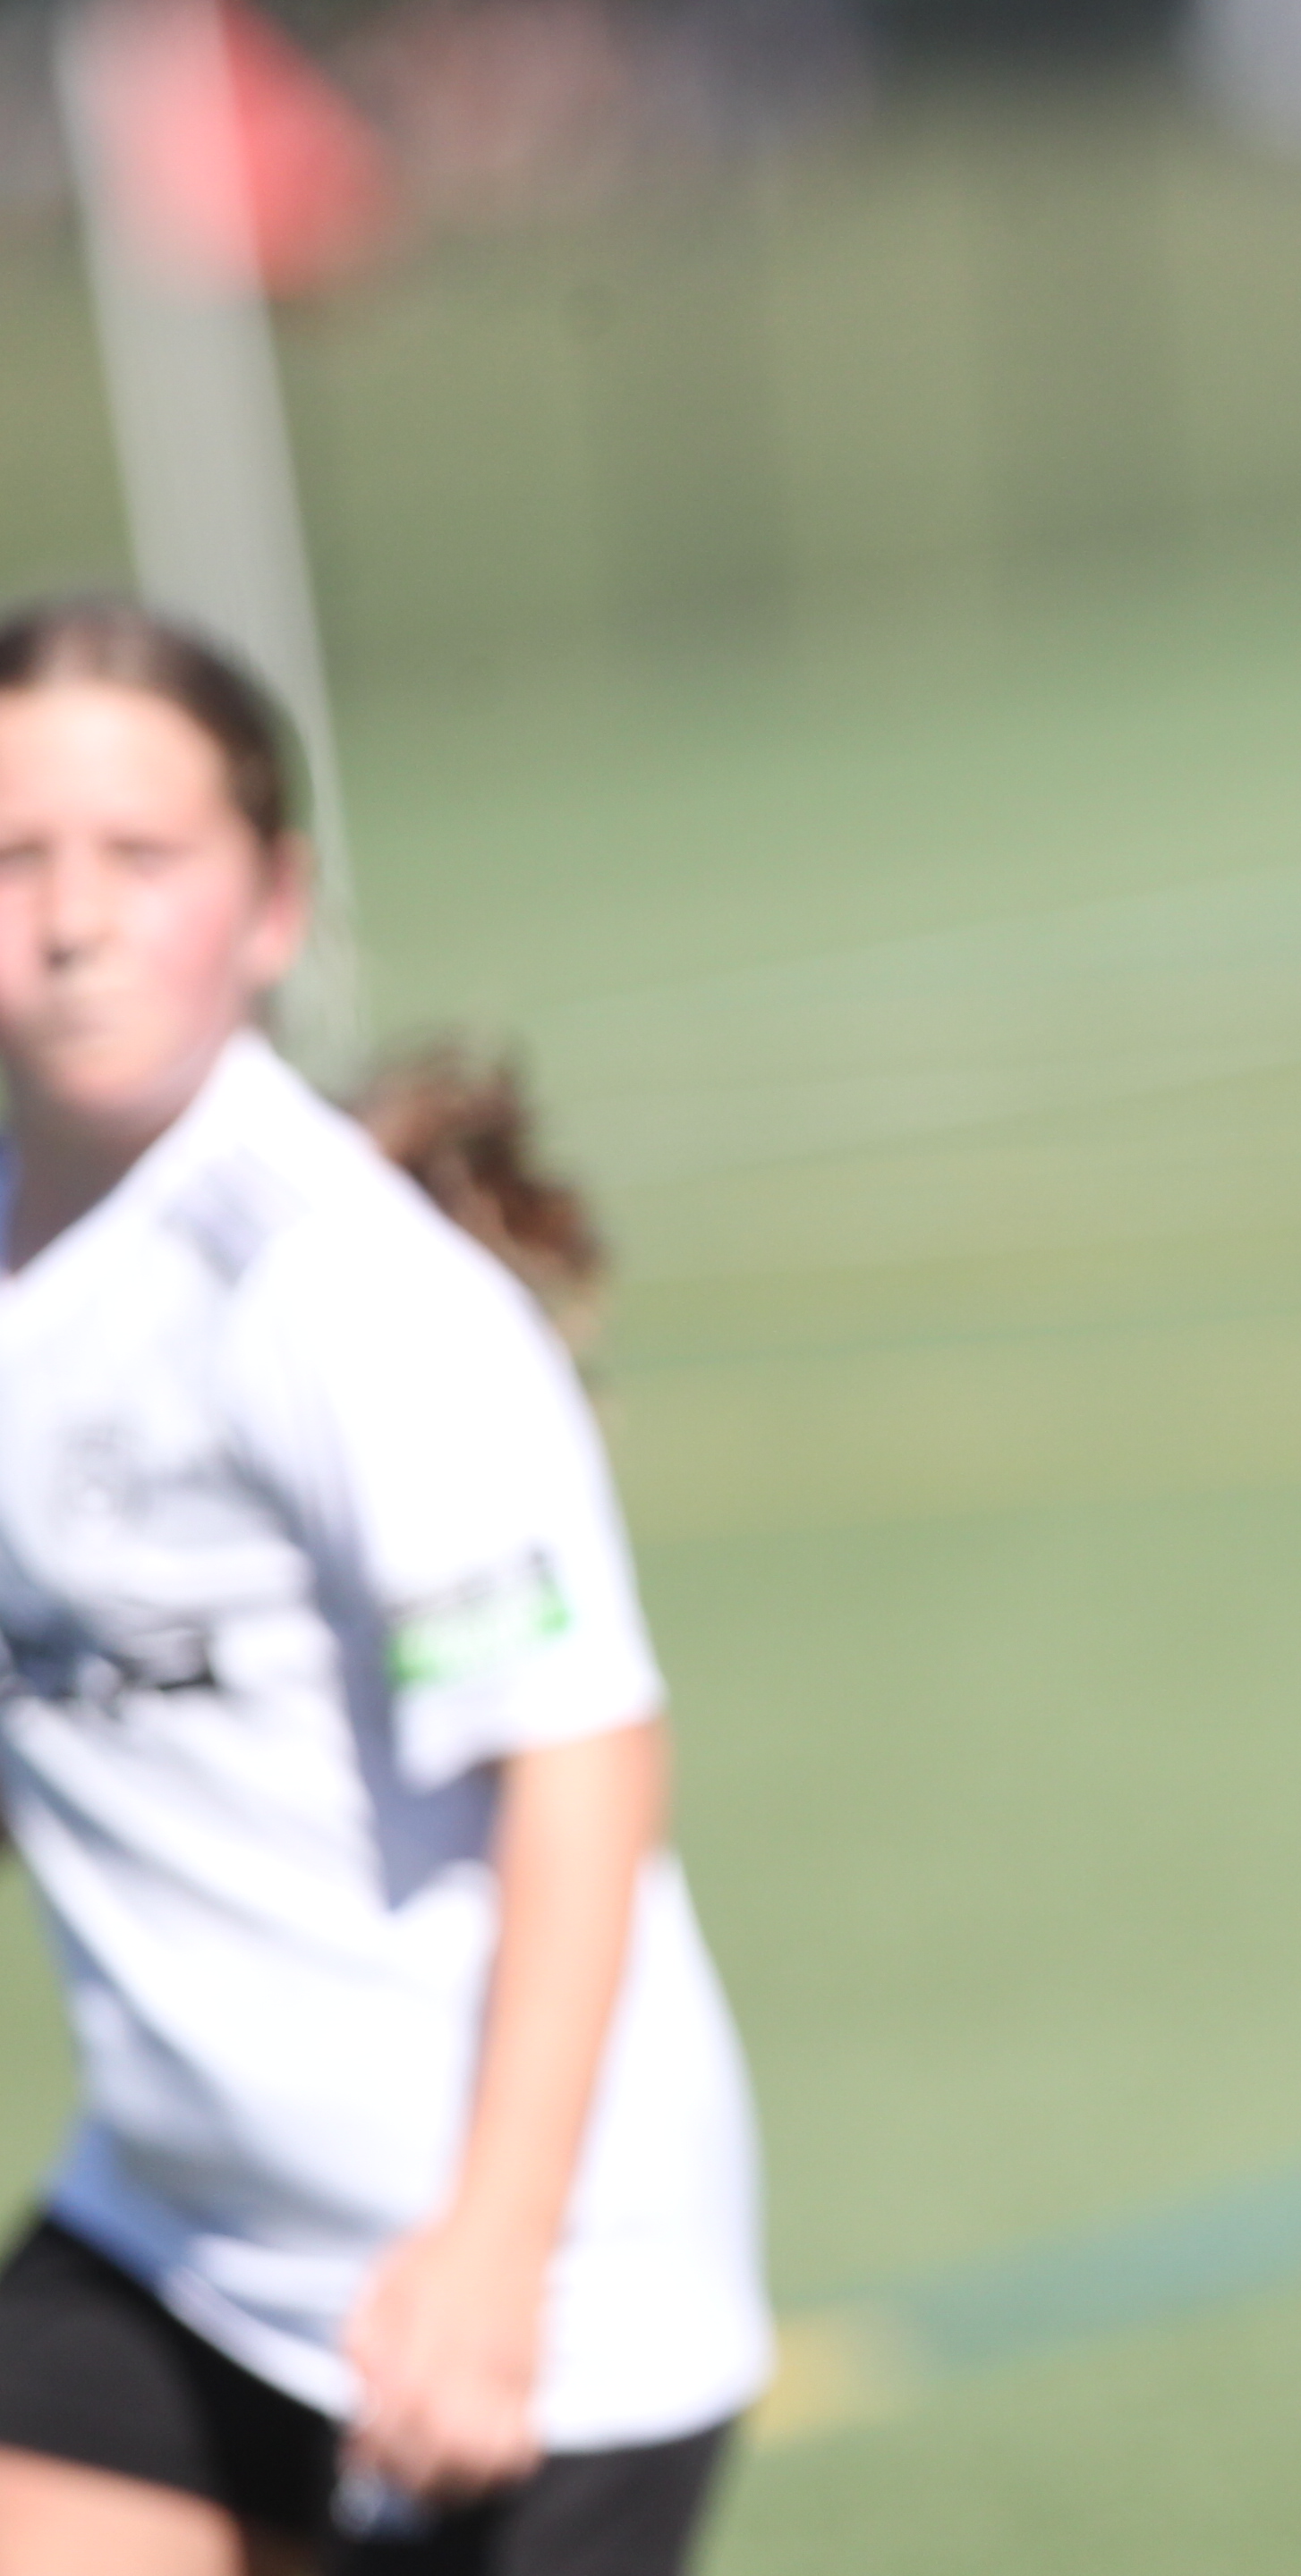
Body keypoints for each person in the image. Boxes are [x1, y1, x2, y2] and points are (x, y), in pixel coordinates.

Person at [0, 598, 769, 2574]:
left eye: (139, 856)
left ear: (272, 906)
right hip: (178, 2243)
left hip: (526, 2293)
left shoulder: (338, 1293)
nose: (69, 918)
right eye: (16, 855)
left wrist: (492, 2259)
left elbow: (581, 1758)